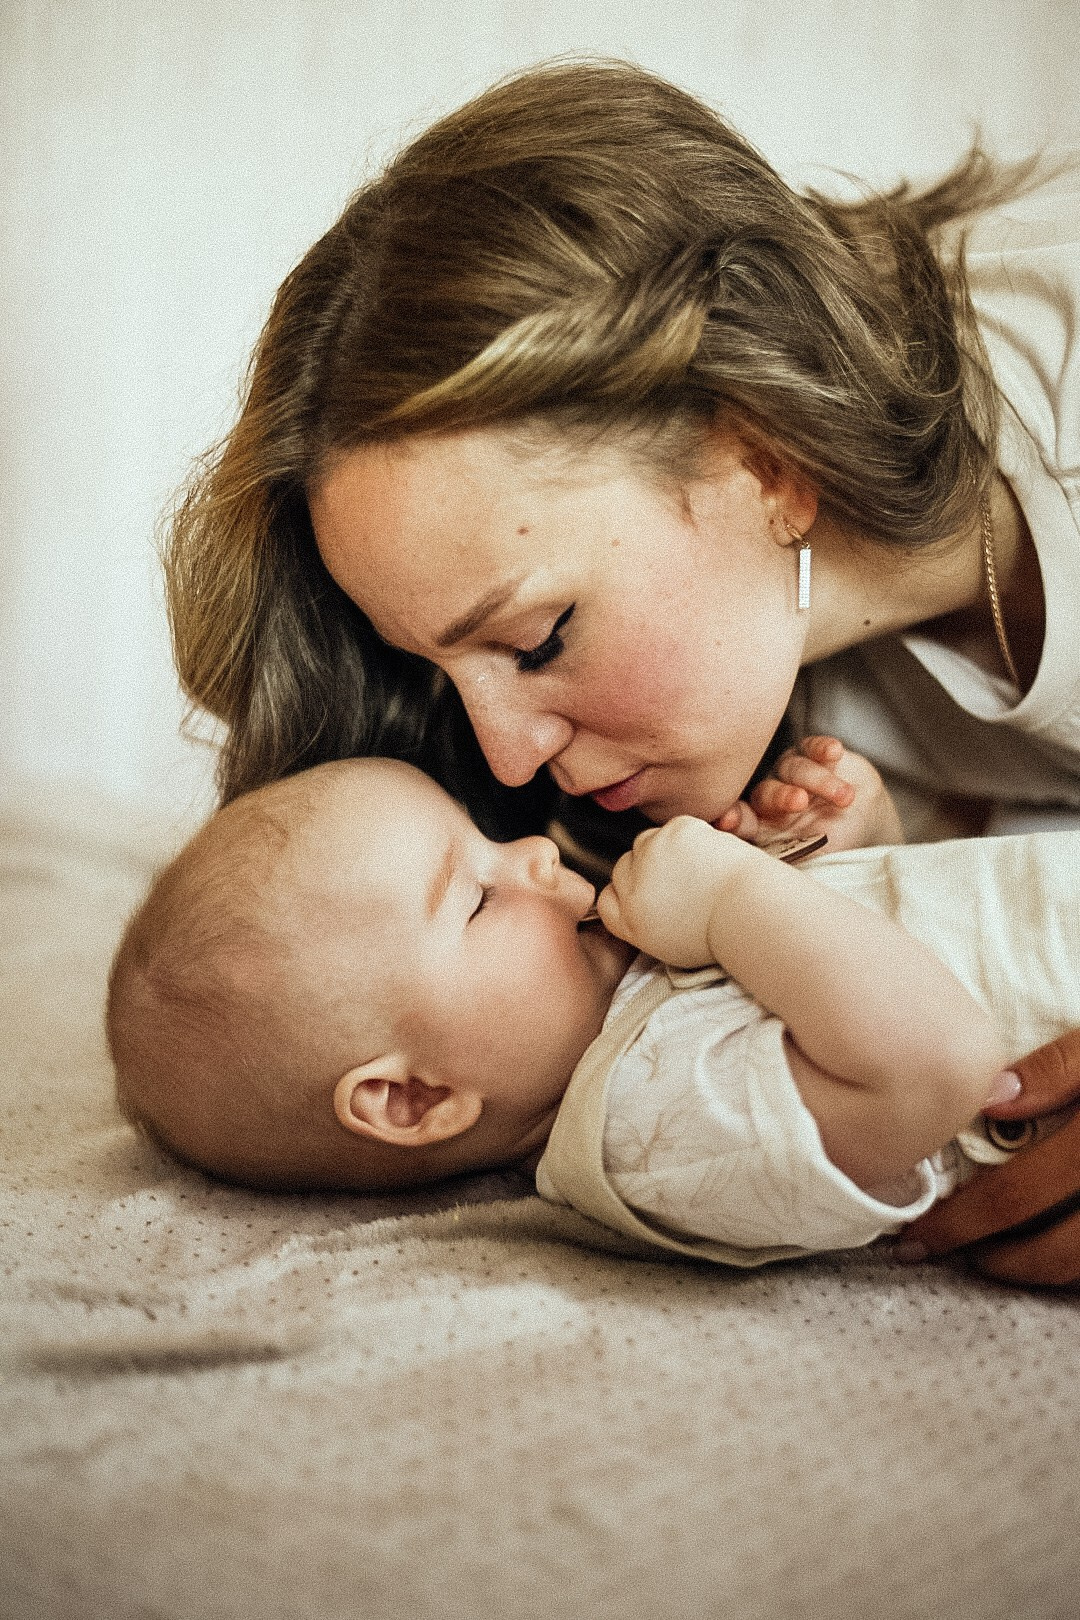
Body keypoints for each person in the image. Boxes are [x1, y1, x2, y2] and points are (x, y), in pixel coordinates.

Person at [162, 63, 1080, 1274]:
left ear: (766, 458)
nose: (501, 755)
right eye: (442, 676)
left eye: (539, 638)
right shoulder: (764, 748)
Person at [107, 745, 1080, 1274]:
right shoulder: (657, 1131)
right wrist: (742, 899)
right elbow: (943, 1060)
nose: (533, 854)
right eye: (478, 896)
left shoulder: (643, 1009)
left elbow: (904, 976)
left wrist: (852, 857)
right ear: (414, 1100)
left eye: (487, 837)